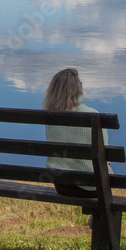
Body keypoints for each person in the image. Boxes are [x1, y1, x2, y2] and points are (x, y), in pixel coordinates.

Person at [42, 68, 109, 198]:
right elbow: (104, 152)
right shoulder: (93, 115)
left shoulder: (49, 117)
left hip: (62, 186)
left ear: (52, 91)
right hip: (92, 186)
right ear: (78, 90)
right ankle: (97, 218)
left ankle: (95, 219)